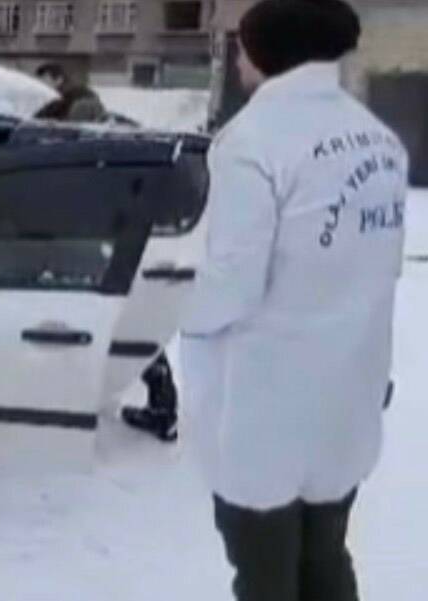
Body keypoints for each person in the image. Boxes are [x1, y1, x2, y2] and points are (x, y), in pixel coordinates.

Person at [180, 1, 407, 600]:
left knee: (265, 576)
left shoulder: (252, 142)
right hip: (347, 397)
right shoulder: (381, 142)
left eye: (241, 44)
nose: (237, 58)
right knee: (326, 558)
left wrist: (173, 309)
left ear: (265, 53)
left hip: (267, 410)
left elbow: (232, 284)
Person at [34, 80, 181, 444]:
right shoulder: (125, 133)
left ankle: (81, 397)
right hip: (128, 239)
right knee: (131, 321)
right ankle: (162, 404)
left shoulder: (87, 139)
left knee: (107, 320)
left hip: (108, 242)